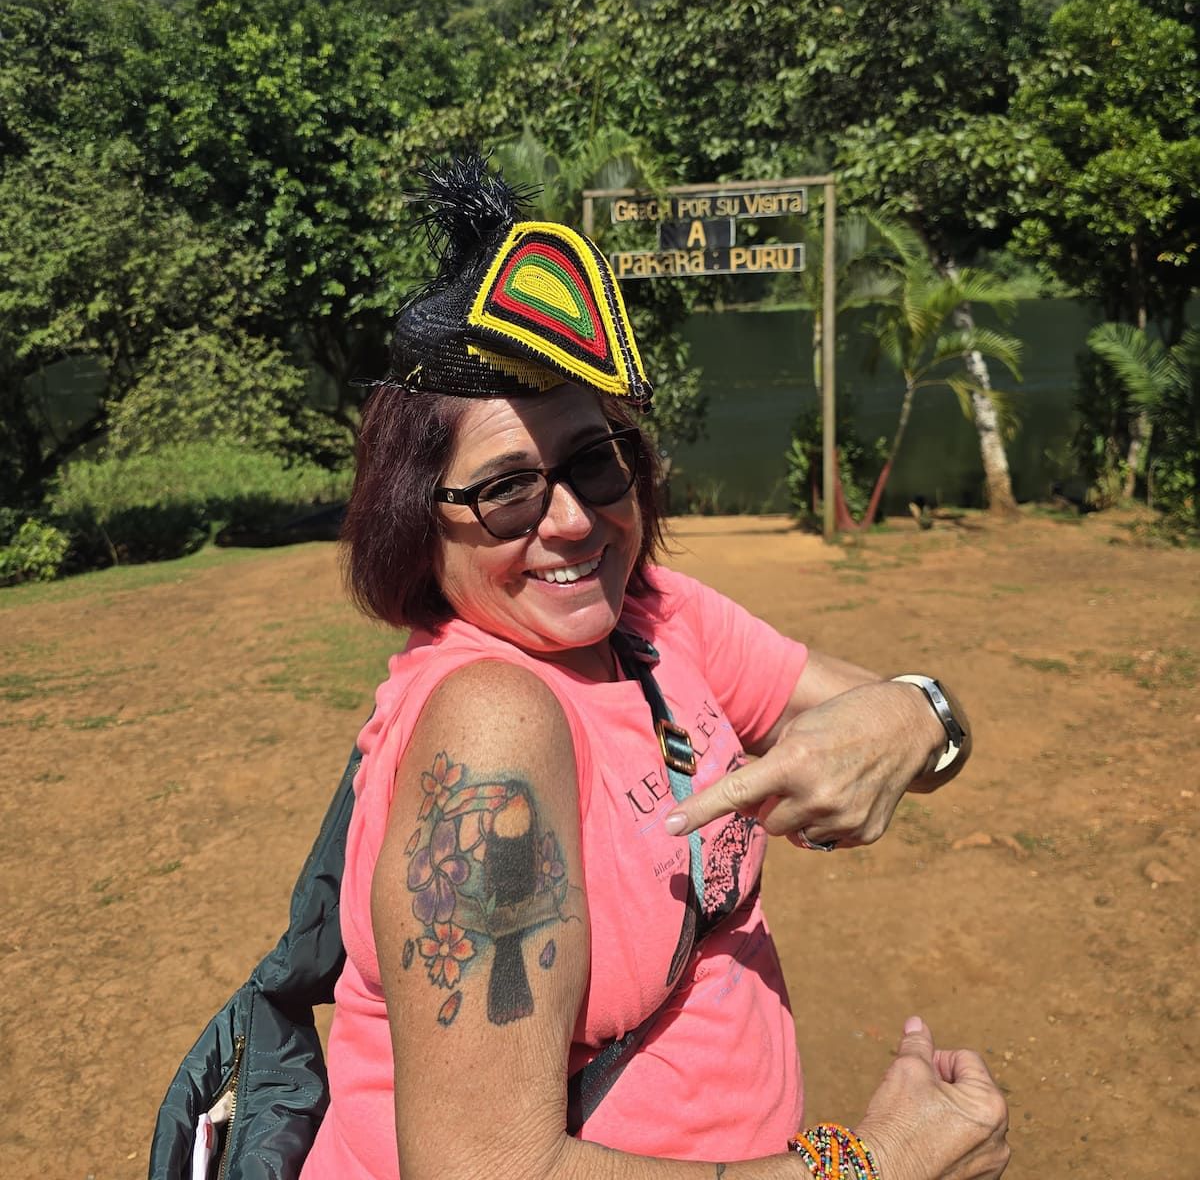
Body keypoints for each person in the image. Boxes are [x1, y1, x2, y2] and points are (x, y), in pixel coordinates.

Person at [300, 156, 1009, 1180]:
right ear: (420, 516)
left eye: (597, 461)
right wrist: (872, 1169)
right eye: (507, 490)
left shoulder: (654, 621)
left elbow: (908, 721)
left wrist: (914, 713)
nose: (576, 517)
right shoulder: (492, 725)